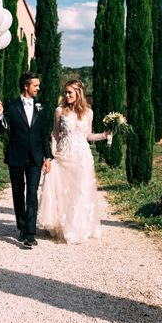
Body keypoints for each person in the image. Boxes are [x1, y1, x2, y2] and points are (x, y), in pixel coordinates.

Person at [37, 79, 109, 244]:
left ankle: (78, 228)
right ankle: (64, 227)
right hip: (64, 156)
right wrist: (52, 153)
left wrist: (104, 135)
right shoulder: (59, 111)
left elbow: (88, 136)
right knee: (64, 192)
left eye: (70, 92)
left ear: (79, 93)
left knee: (80, 192)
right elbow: (55, 133)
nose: (67, 95)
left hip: (82, 158)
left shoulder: (88, 113)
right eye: (66, 92)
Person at [0, 72, 53, 248]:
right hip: (16, 157)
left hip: (35, 157)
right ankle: (22, 226)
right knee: (18, 193)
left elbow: (43, 135)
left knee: (32, 194)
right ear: (26, 86)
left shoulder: (41, 107)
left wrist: (48, 156)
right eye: (36, 85)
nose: (38, 88)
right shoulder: (11, 106)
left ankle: (30, 233)